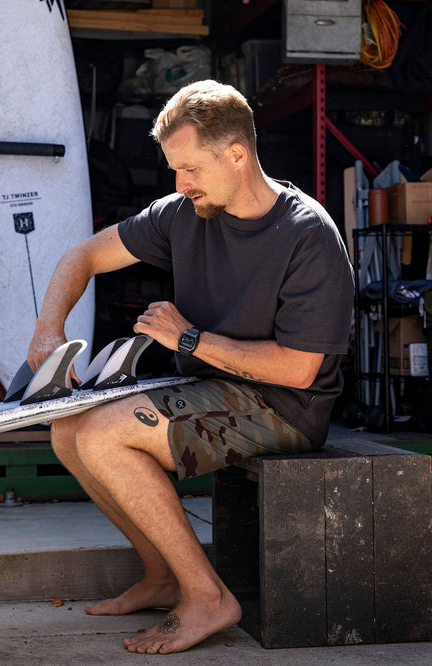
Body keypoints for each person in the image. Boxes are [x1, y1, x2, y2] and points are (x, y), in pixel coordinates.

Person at [27, 79, 354, 655]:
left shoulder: (308, 235)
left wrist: (190, 339)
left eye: (190, 169)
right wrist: (48, 327)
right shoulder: (183, 213)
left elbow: (300, 370)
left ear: (236, 153)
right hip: (211, 386)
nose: (181, 185)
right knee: (70, 430)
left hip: (284, 407)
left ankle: (207, 597)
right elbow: (82, 255)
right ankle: (160, 577)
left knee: (104, 435)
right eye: (175, 170)